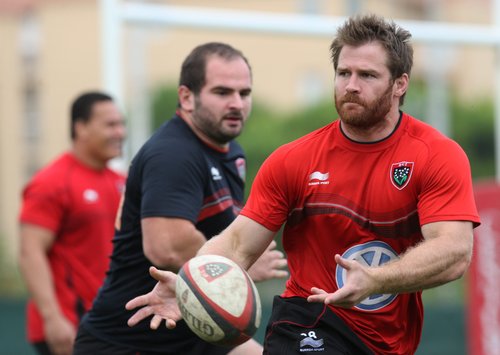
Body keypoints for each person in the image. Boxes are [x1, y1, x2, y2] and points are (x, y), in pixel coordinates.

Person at [125, 15, 481, 355]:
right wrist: (192, 283)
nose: (351, 85)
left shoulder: (436, 155)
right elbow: (237, 244)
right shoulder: (293, 160)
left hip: (389, 341)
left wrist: (376, 279)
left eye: (367, 75)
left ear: (400, 83)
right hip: (308, 320)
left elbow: (453, 252)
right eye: (344, 73)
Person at [73, 42, 288, 355]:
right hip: (130, 340)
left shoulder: (229, 152)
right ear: (187, 97)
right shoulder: (174, 153)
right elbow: (166, 244)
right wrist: (233, 266)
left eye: (244, 93)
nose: (236, 104)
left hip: (191, 329)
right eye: (222, 92)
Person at [18, 91, 126, 355]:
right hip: (71, 326)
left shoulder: (121, 181)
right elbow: (30, 252)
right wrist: (52, 318)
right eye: (110, 125)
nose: (120, 132)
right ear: (81, 128)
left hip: (111, 326)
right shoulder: (52, 182)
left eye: (121, 124)